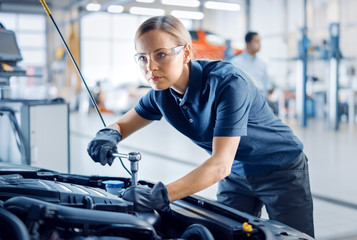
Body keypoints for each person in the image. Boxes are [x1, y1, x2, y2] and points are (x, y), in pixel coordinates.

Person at [87, 15, 314, 237]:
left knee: (293, 237)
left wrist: (161, 195)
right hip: (236, 173)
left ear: (185, 52)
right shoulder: (160, 94)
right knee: (226, 233)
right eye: (143, 58)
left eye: (161, 55)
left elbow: (219, 165)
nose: (150, 68)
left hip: (280, 169)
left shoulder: (228, 84)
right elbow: (122, 125)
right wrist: (107, 135)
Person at [230, 32, 278, 115]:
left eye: (259, 41)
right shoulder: (236, 63)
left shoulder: (262, 64)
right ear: (248, 43)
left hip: (260, 105)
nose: (259, 44)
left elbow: (267, 85)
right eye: (256, 41)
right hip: (243, 105)